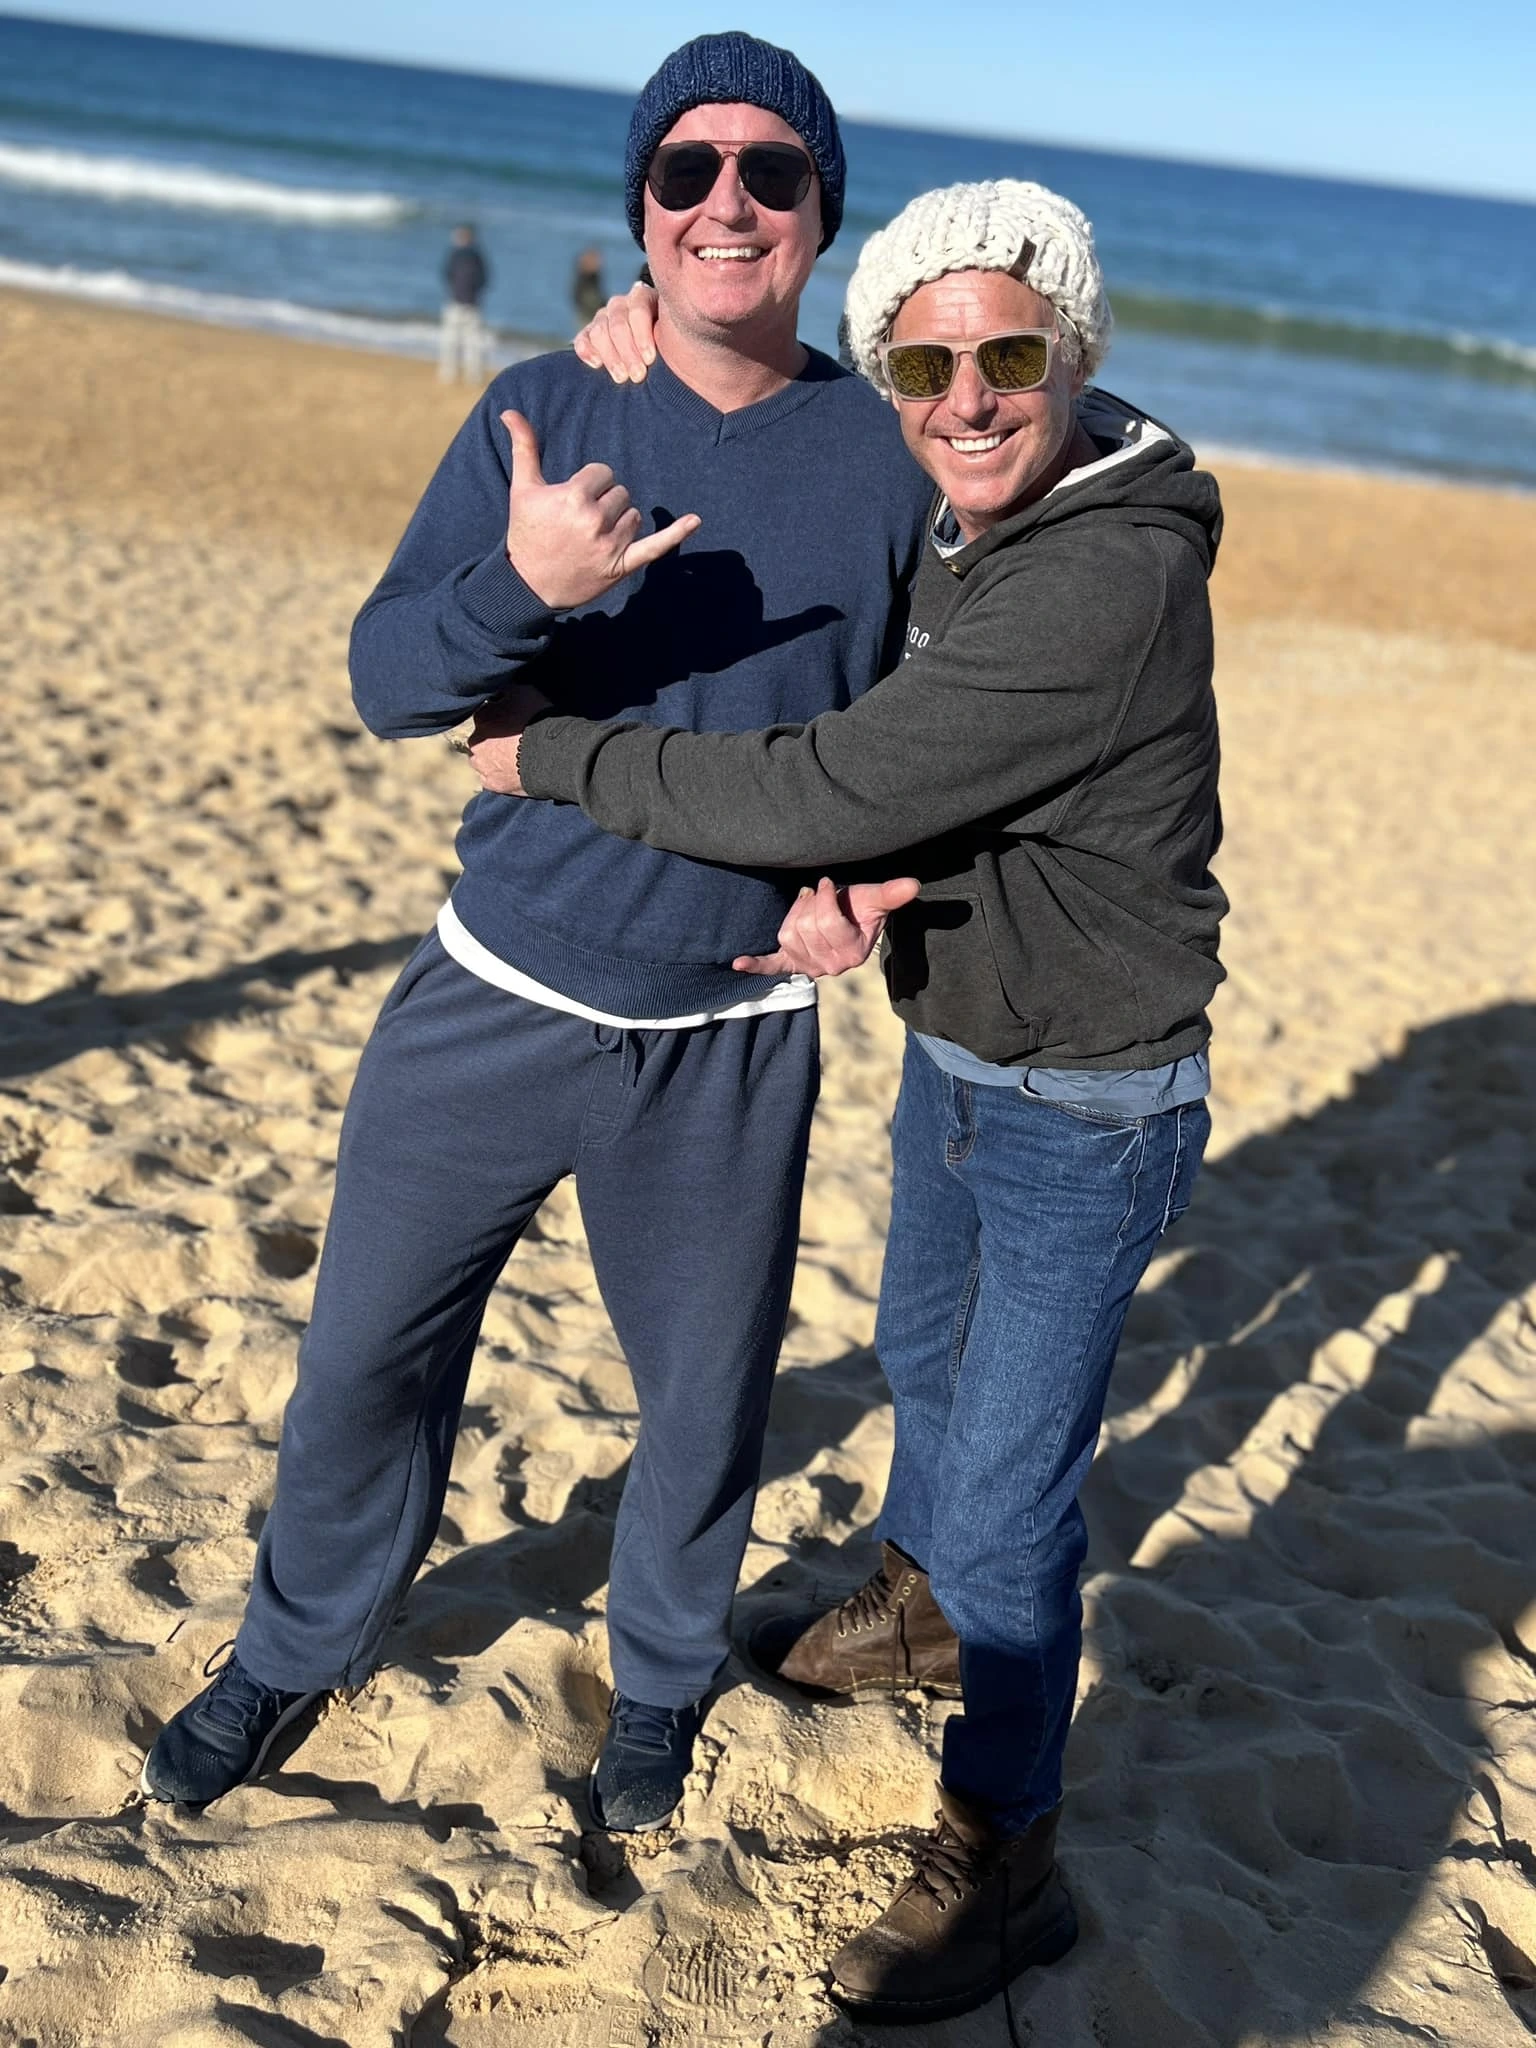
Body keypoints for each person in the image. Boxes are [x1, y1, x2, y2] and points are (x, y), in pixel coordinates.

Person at [139, 33, 930, 1835]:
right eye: (685, 174)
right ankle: (293, 1642)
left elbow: (938, 723)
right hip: (489, 993)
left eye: (770, 175)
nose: (725, 203)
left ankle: (657, 1682)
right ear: (639, 214)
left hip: (722, 1040)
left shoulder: (892, 460)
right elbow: (384, 677)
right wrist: (529, 586)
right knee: (361, 1359)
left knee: (704, 1402)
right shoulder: (546, 405)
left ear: (822, 214)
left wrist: (871, 882)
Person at [465, 177, 1226, 2025]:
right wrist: (647, 335)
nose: (966, 398)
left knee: (1020, 1495)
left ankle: (1008, 1846)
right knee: (917, 1352)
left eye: (1011, 355)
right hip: (966, 1034)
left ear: (1078, 353)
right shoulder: (1011, 492)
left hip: (1088, 1093)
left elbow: (827, 783)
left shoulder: (1105, 566)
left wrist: (546, 753)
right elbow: (950, 766)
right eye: (923, 361)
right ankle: (908, 1598)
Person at [439, 222, 489, 384]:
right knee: (456, 342)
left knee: (465, 343)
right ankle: (456, 375)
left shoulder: (467, 255)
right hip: (462, 303)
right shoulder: (470, 255)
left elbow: (447, 275)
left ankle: (464, 375)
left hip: (465, 303)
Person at [571, 245, 606, 330]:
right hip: (588, 317)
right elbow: (589, 300)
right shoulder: (584, 281)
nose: (599, 263)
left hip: (590, 315)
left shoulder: (593, 277)